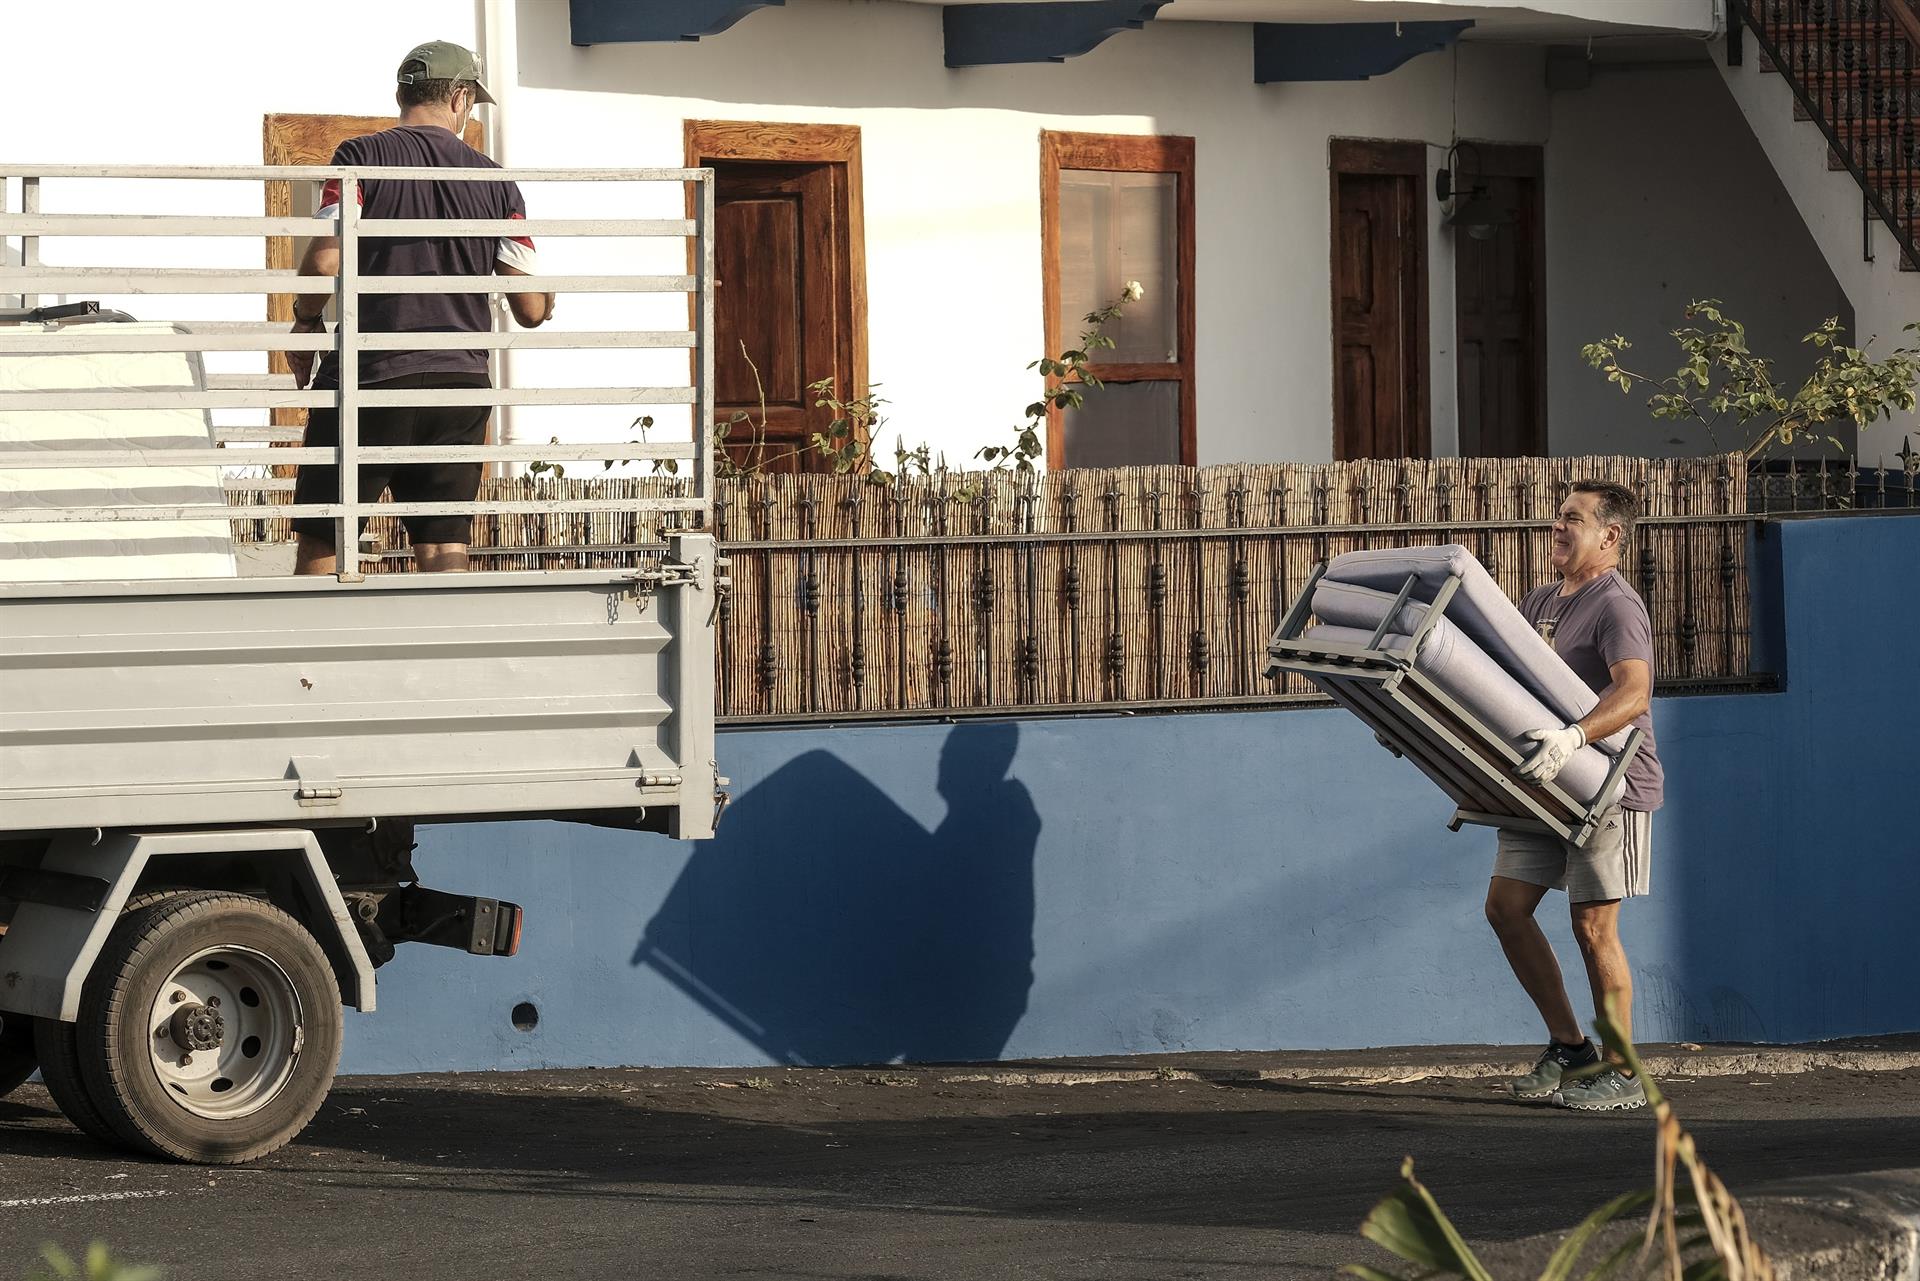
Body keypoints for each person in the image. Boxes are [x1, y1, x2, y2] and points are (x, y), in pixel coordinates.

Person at [285, 39, 553, 574]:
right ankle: (453, 654)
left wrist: (306, 320)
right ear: (458, 96)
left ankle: (312, 656)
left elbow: (324, 264)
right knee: (441, 541)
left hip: (373, 376)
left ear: (401, 93)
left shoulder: (359, 159)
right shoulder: (495, 181)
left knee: (328, 535)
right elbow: (527, 305)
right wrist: (548, 302)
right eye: (472, 101)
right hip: (459, 384)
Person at [1487, 479, 1664, 1113]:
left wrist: (1574, 736)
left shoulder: (1618, 606)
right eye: (1557, 517)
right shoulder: (1540, 600)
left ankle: (1622, 1069)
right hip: (1546, 785)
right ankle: (1570, 1047)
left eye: (1572, 519)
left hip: (1610, 785)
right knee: (1506, 909)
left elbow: (1634, 692)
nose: (1557, 527)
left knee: (1593, 927)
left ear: (1610, 536)